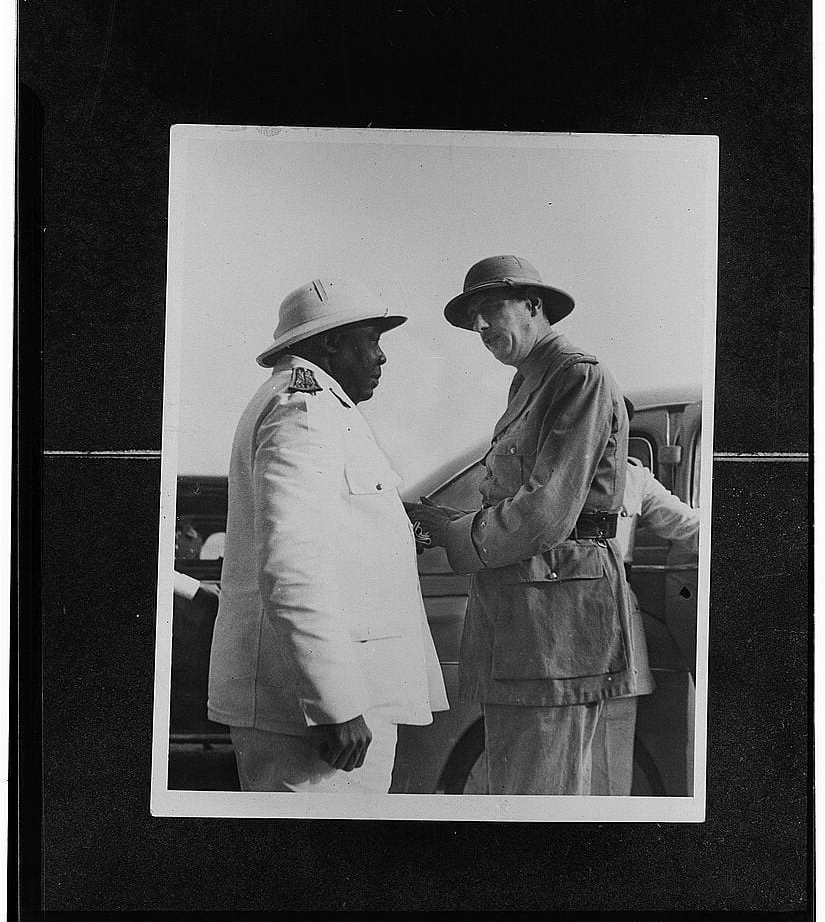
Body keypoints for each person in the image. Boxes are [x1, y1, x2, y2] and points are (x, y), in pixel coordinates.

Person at [406, 255, 653, 795]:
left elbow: (545, 512)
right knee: (521, 788)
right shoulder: (529, 381)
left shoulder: (576, 375)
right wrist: (452, 519)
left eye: (491, 309)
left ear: (534, 307)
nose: (481, 327)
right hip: (528, 619)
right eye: (474, 318)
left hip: (558, 624)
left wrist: (454, 533)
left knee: (545, 795)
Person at [208, 277, 447, 793]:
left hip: (324, 706)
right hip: (317, 719)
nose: (381, 358)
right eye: (372, 341)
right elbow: (292, 567)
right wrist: (335, 702)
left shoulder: (318, 410)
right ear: (331, 341)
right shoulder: (304, 412)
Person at [590, 398, 701, 795]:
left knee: (612, 751)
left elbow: (689, 525)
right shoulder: (545, 474)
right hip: (555, 621)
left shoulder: (634, 477)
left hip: (615, 616)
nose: (605, 433)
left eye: (614, 424)